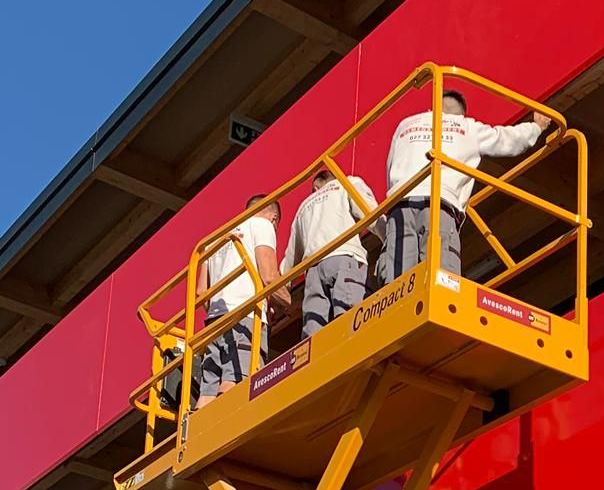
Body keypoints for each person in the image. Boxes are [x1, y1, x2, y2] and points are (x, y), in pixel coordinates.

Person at [378, 88, 555, 283]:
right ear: (461, 114)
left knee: (398, 285)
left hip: (401, 205)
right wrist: (536, 126)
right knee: (440, 280)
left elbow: (391, 167)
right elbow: (507, 140)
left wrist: (395, 201)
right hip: (440, 205)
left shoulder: (406, 124)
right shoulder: (467, 127)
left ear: (434, 106)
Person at [197, 196, 279, 401]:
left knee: (209, 388)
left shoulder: (215, 239)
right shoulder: (262, 225)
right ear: (274, 218)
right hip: (244, 315)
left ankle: (198, 430)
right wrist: (289, 303)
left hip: (214, 322)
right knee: (236, 379)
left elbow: (200, 292)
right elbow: (269, 277)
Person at [278, 167, 378, 335]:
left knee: (314, 330)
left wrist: (279, 289)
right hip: (345, 258)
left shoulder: (303, 208)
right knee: (350, 319)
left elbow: (290, 259)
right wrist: (391, 238)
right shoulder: (347, 183)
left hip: (314, 272)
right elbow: (371, 213)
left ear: (316, 189)